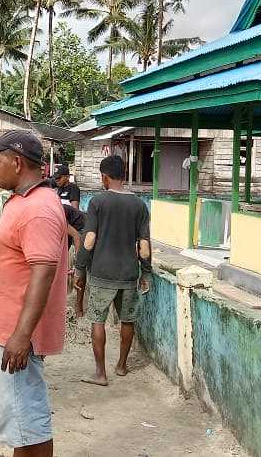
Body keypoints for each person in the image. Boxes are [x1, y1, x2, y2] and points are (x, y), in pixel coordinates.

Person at [0, 130, 68, 457]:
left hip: (15, 332)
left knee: (27, 420)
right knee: (18, 422)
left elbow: (44, 272)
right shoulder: (23, 200)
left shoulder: (38, 209)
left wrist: (22, 335)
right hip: (6, 328)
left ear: (17, 161)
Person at [75, 155, 151, 387]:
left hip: (101, 272)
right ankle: (121, 365)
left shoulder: (98, 202)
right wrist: (146, 273)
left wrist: (79, 268)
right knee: (128, 321)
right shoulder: (139, 204)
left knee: (98, 321)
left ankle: (100, 373)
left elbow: (89, 239)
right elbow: (144, 244)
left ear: (104, 177)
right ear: (124, 176)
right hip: (129, 273)